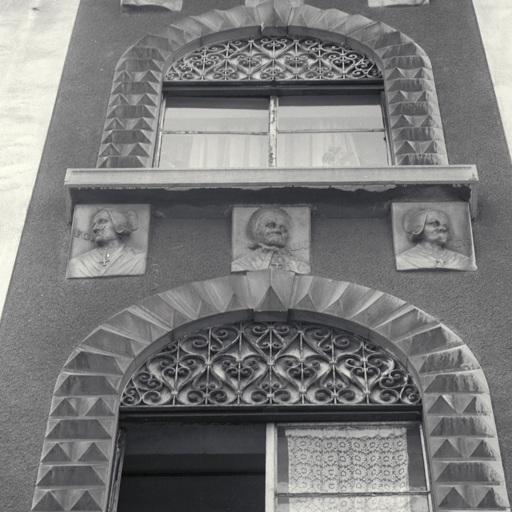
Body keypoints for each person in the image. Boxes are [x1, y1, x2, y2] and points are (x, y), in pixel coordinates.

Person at [67, 208, 146, 278]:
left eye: (102, 221)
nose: (95, 229)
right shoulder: (77, 263)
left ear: (120, 227)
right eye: (93, 225)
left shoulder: (138, 258)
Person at [231, 207, 310, 274]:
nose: (277, 230)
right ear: (257, 230)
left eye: (283, 228)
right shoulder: (241, 264)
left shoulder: (301, 266)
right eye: (271, 225)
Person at [396, 209, 476, 271]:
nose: (442, 228)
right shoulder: (403, 259)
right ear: (419, 228)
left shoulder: (463, 261)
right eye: (434, 223)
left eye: (445, 226)